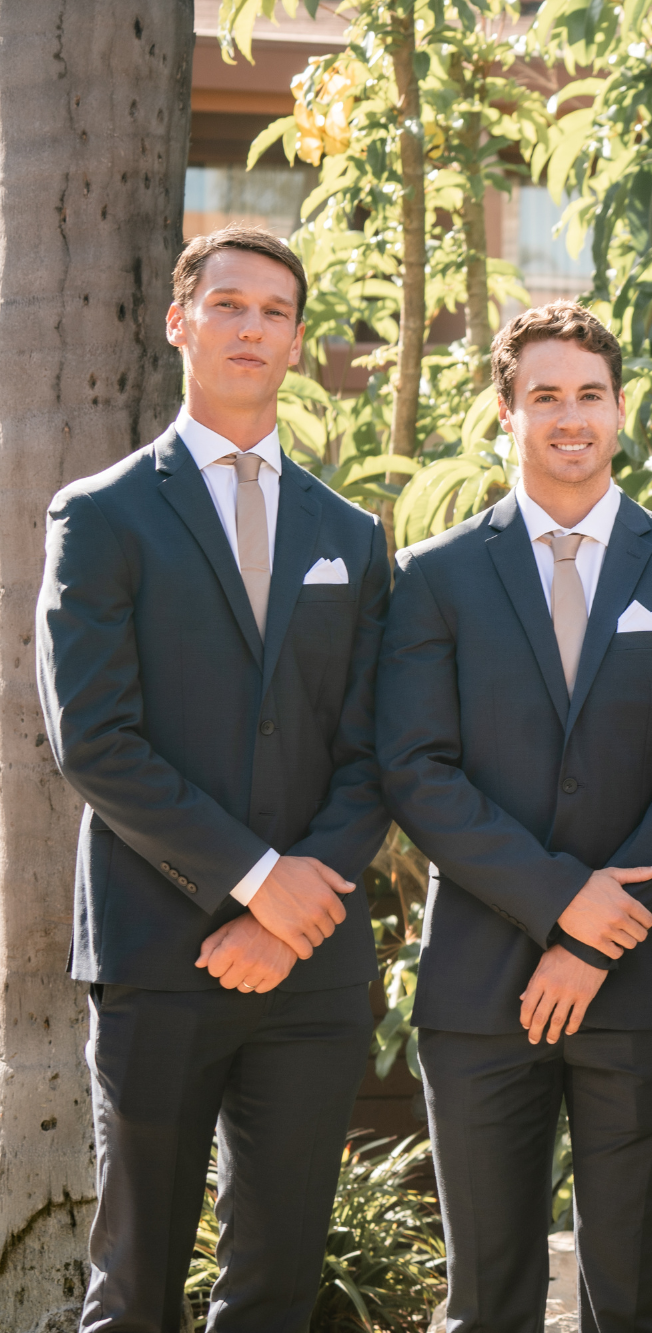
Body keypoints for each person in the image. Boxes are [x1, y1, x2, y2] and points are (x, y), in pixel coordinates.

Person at [35, 225, 390, 1333]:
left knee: (277, 1289)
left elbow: (378, 745)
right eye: (229, 304)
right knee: (134, 1286)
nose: (252, 326)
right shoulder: (101, 514)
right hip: (159, 951)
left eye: (275, 311)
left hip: (313, 970)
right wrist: (249, 881)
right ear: (180, 320)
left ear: (296, 343)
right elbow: (93, 738)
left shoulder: (352, 534)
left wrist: (292, 912)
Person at [376, 301, 652, 1332]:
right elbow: (417, 768)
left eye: (589, 395)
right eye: (544, 396)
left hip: (644, 976)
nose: (569, 416)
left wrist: (596, 935)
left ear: (621, 411)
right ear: (506, 413)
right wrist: (559, 907)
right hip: (481, 984)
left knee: (631, 1300)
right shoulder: (437, 575)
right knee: (482, 1301)